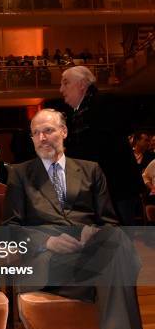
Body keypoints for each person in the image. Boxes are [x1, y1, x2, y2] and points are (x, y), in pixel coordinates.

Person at [3, 109, 155, 329]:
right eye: (36, 133)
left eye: (49, 130)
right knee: (121, 268)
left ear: (64, 132)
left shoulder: (90, 170)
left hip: (90, 262)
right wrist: (46, 241)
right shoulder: (20, 174)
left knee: (116, 245)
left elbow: (111, 224)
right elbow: (10, 230)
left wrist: (93, 233)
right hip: (48, 267)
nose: (43, 137)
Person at [59, 66, 144, 225]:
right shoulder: (77, 115)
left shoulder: (105, 103)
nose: (61, 89)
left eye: (66, 83)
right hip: (100, 190)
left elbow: (102, 145)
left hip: (117, 188)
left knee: (120, 240)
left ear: (82, 84)